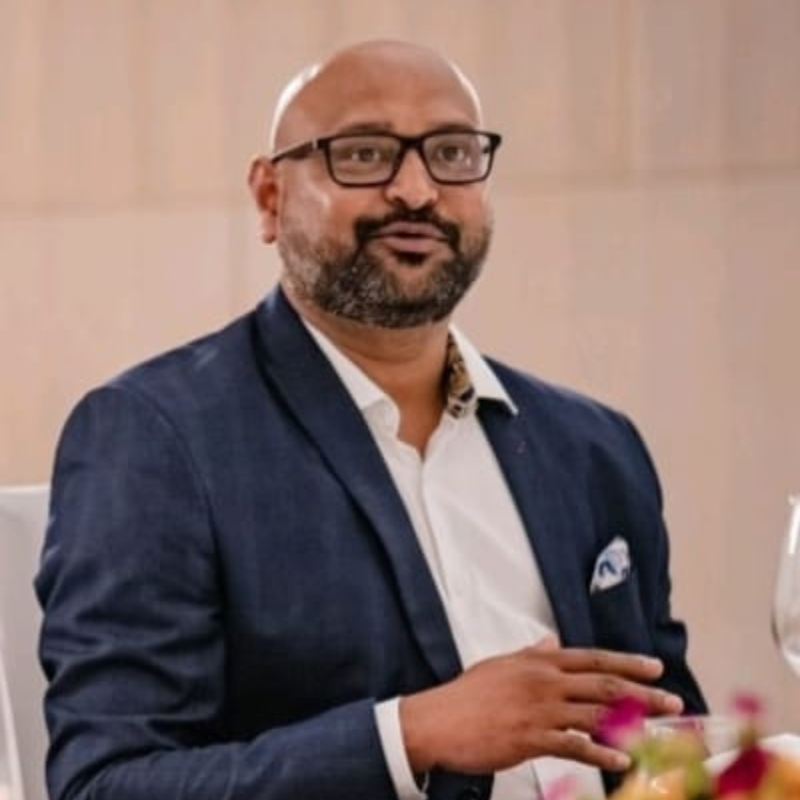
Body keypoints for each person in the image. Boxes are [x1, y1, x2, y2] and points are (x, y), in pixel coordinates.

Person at [36, 39, 706, 800]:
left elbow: (671, 741)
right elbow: (107, 784)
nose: (417, 190)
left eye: (451, 153)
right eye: (364, 154)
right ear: (270, 198)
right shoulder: (156, 438)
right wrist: (410, 735)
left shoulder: (595, 447)